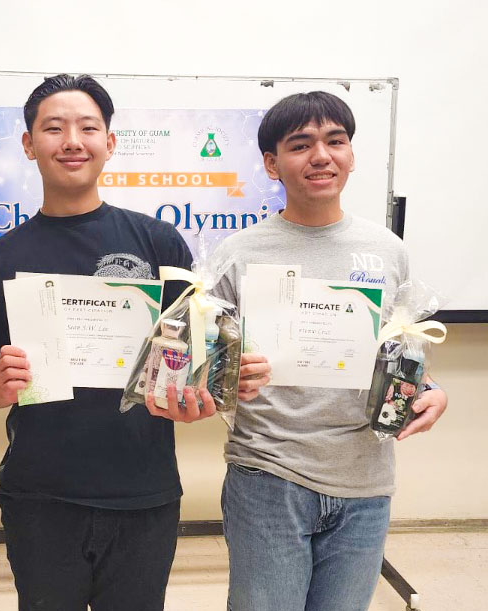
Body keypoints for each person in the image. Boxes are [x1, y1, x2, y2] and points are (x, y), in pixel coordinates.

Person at [0, 74, 217, 611]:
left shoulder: (160, 244)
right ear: (29, 145)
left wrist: (194, 398)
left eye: (87, 127)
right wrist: (0, 384)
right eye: (53, 128)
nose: (71, 140)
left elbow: (192, 360)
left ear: (110, 143)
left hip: (143, 492)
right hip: (40, 495)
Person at [211, 91, 449, 611]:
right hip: (267, 475)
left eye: (335, 141)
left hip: (366, 478)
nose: (321, 156)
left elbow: (402, 352)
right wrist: (228, 376)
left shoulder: (387, 249)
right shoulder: (238, 253)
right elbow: (208, 366)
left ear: (351, 154)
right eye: (301, 144)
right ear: (273, 164)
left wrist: (429, 392)